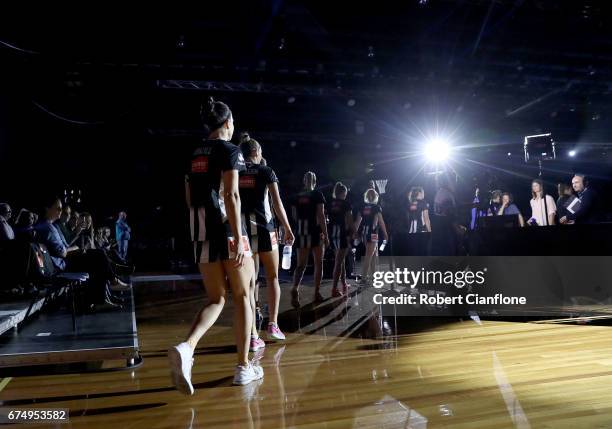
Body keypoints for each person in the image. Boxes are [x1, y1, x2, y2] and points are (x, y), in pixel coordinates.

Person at [169, 96, 260, 395]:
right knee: (243, 295)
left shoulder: (192, 152)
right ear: (227, 123)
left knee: (216, 299)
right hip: (226, 228)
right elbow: (232, 197)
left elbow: (186, 197)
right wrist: (237, 238)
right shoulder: (230, 150)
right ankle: (243, 367)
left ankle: (187, 347)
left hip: (200, 230)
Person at [238, 133, 295, 348]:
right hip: (266, 230)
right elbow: (277, 204)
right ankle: (273, 324)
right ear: (256, 152)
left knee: (251, 284)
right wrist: (288, 228)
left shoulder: (237, 172)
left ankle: (253, 336)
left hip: (244, 233)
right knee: (272, 278)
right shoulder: (266, 171)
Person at [34, 196, 126, 311]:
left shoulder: (48, 226)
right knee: (97, 256)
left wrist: (73, 248)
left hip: (59, 262)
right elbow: (62, 252)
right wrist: (75, 248)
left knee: (97, 255)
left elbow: (63, 248)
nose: (60, 211)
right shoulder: (48, 227)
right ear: (47, 209)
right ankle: (111, 284)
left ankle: (103, 296)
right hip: (59, 265)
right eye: (58, 208)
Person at [291, 171, 329, 306]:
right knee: (319, 264)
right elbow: (321, 215)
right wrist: (326, 235)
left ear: (304, 181)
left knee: (301, 265)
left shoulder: (297, 196)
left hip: (302, 232)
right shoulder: (317, 195)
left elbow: (294, 216)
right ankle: (317, 292)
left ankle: (295, 287)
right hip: (315, 231)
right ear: (315, 181)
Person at [353, 189, 388, 284]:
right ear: (376, 197)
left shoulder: (362, 207)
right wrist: (385, 234)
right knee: (369, 256)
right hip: (373, 234)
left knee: (373, 255)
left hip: (364, 233)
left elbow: (357, 222)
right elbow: (381, 222)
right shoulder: (376, 208)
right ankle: (364, 278)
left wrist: (354, 233)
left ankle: (374, 276)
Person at [328, 182, 353, 297]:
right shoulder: (346, 204)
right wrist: (353, 233)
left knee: (340, 260)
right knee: (338, 262)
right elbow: (349, 221)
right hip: (342, 234)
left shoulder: (331, 203)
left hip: (332, 234)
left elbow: (326, 218)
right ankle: (334, 289)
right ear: (344, 193)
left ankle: (343, 283)